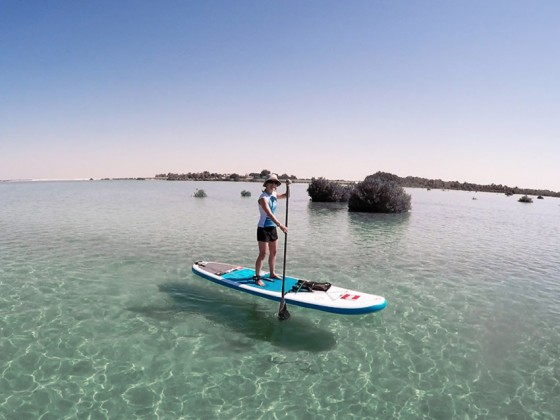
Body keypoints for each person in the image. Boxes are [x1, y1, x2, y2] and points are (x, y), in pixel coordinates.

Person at [254, 174, 289, 286]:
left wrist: (288, 186)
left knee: (274, 252)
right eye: (271, 182)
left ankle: (272, 273)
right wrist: (280, 225)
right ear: (266, 184)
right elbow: (268, 213)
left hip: (272, 228)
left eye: (275, 183)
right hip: (263, 228)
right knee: (263, 253)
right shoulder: (263, 198)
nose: (273, 185)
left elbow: (286, 196)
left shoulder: (274, 194)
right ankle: (257, 277)